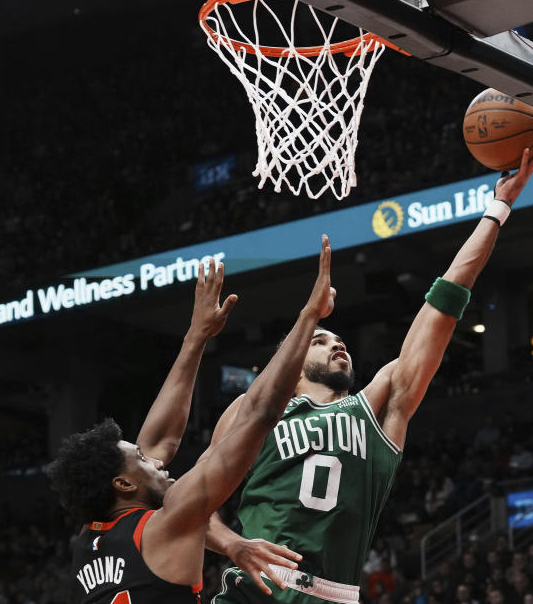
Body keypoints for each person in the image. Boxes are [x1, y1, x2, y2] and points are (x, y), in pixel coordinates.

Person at [205, 142, 533, 603]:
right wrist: (233, 544)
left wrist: (498, 208)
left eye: (338, 339)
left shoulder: (378, 406)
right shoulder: (252, 413)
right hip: (255, 592)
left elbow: (444, 303)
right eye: (320, 340)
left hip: (334, 595)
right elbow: (192, 505)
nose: (337, 343)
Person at [48, 241, 336, 604]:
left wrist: (196, 336)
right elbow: (261, 413)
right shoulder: (169, 523)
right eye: (139, 459)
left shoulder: (87, 538)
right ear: (122, 483)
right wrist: (310, 316)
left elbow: (161, 441)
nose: (153, 460)